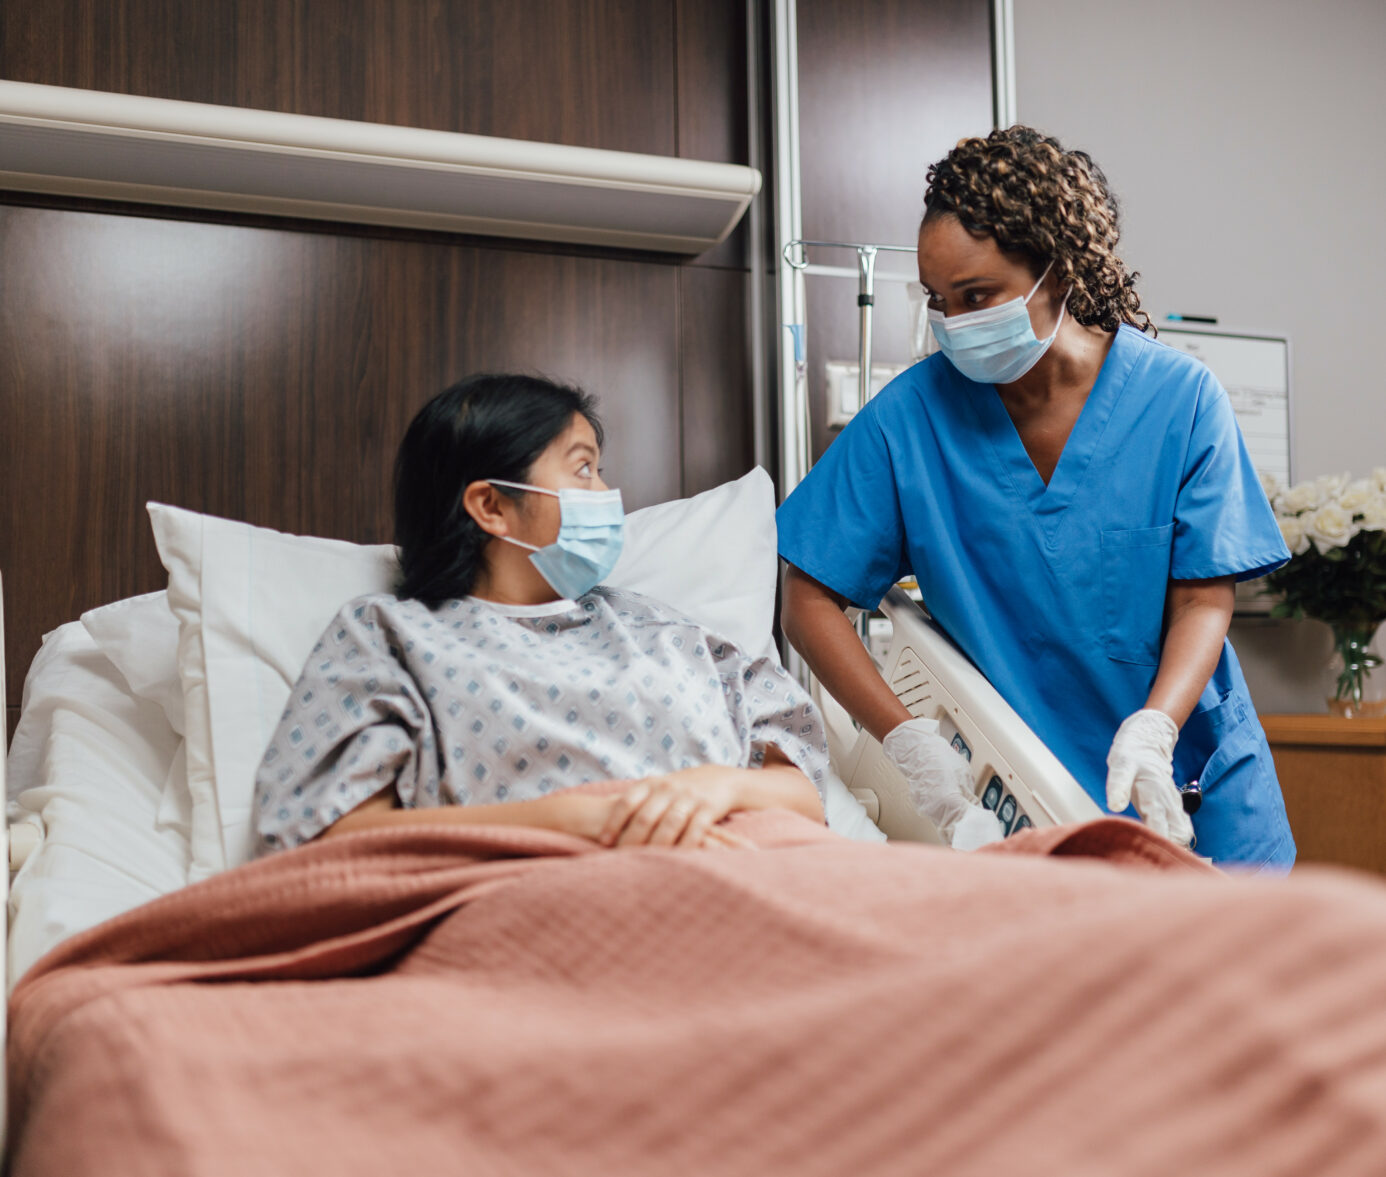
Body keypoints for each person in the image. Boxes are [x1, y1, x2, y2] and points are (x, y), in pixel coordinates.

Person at [776, 127, 1294, 870]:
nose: (953, 323)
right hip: (1030, 791)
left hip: (1193, 772)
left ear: (1058, 267)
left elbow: (1202, 598)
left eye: (977, 295)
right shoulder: (910, 420)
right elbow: (807, 597)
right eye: (937, 300)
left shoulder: (1180, 400)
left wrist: (1156, 726)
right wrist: (909, 741)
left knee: (1254, 972)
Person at [254, 373, 827, 854]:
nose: (607, 494)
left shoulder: (670, 635)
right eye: (583, 470)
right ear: (492, 505)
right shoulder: (390, 639)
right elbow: (329, 834)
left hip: (746, 874)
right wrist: (573, 822)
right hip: (533, 896)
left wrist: (719, 789)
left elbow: (804, 793)